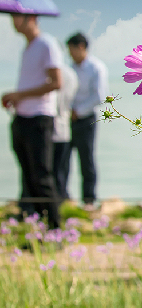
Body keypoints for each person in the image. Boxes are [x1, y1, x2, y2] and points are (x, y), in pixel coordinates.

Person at [2, 13, 63, 228]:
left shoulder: (46, 44)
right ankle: (38, 230)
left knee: (41, 177)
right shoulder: (28, 47)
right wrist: (16, 97)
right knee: (29, 179)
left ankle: (55, 229)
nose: (13, 21)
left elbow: (56, 82)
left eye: (16, 16)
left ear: (30, 17)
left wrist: (19, 95)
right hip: (22, 118)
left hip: (39, 119)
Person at [64, 32, 108, 209]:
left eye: (71, 50)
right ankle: (63, 196)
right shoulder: (69, 68)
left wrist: (78, 111)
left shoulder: (96, 67)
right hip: (68, 118)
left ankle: (89, 200)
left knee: (86, 159)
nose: (70, 54)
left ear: (81, 47)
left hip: (86, 119)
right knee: (63, 158)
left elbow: (99, 96)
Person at [51, 63, 78, 204]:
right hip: (63, 127)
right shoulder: (70, 73)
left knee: (54, 170)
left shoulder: (64, 74)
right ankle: (62, 200)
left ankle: (58, 201)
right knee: (61, 170)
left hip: (53, 128)